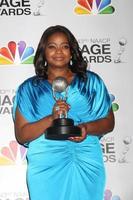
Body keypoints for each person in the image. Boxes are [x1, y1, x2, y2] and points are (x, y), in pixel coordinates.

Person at [13, 25, 115, 200]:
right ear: (43, 52)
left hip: (86, 159)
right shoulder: (29, 89)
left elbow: (109, 122)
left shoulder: (91, 82)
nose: (58, 52)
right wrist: (50, 119)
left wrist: (86, 128)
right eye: (52, 46)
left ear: (72, 51)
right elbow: (22, 135)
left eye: (64, 46)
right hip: (46, 164)